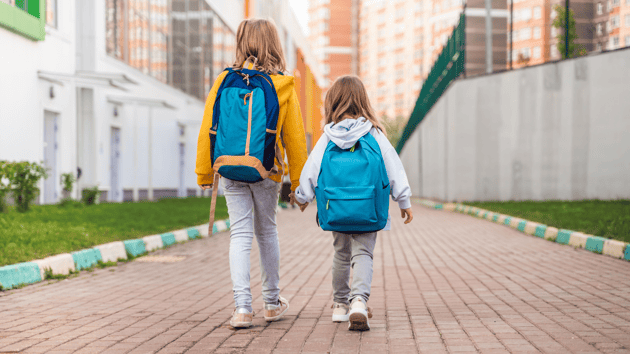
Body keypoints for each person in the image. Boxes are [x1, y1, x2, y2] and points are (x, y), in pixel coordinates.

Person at [196, 18, 308, 329]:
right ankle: (271, 303)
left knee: (240, 235)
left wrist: (205, 172)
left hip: (230, 169)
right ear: (274, 44)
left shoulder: (223, 81)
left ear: (241, 43)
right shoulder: (282, 85)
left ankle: (242, 308)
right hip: (266, 172)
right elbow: (295, 140)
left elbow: (208, 129)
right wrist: (300, 186)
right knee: (267, 232)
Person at [293, 75, 413, 331]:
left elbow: (312, 169)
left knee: (341, 253)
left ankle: (339, 306)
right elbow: (393, 167)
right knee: (363, 253)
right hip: (368, 207)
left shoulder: (328, 136)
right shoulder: (374, 134)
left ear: (333, 103)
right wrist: (403, 200)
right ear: (363, 102)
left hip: (336, 208)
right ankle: (358, 301)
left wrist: (303, 196)